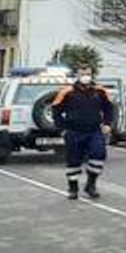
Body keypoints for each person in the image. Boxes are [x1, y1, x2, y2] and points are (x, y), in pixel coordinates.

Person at [51, 69, 116, 200]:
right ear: (78, 76)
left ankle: (91, 184)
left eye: (88, 74)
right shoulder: (67, 92)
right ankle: (73, 188)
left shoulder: (100, 91)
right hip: (74, 131)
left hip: (94, 130)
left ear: (92, 76)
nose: (85, 77)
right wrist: (62, 128)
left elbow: (109, 108)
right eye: (83, 74)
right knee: (73, 160)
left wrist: (107, 124)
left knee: (99, 155)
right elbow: (56, 110)